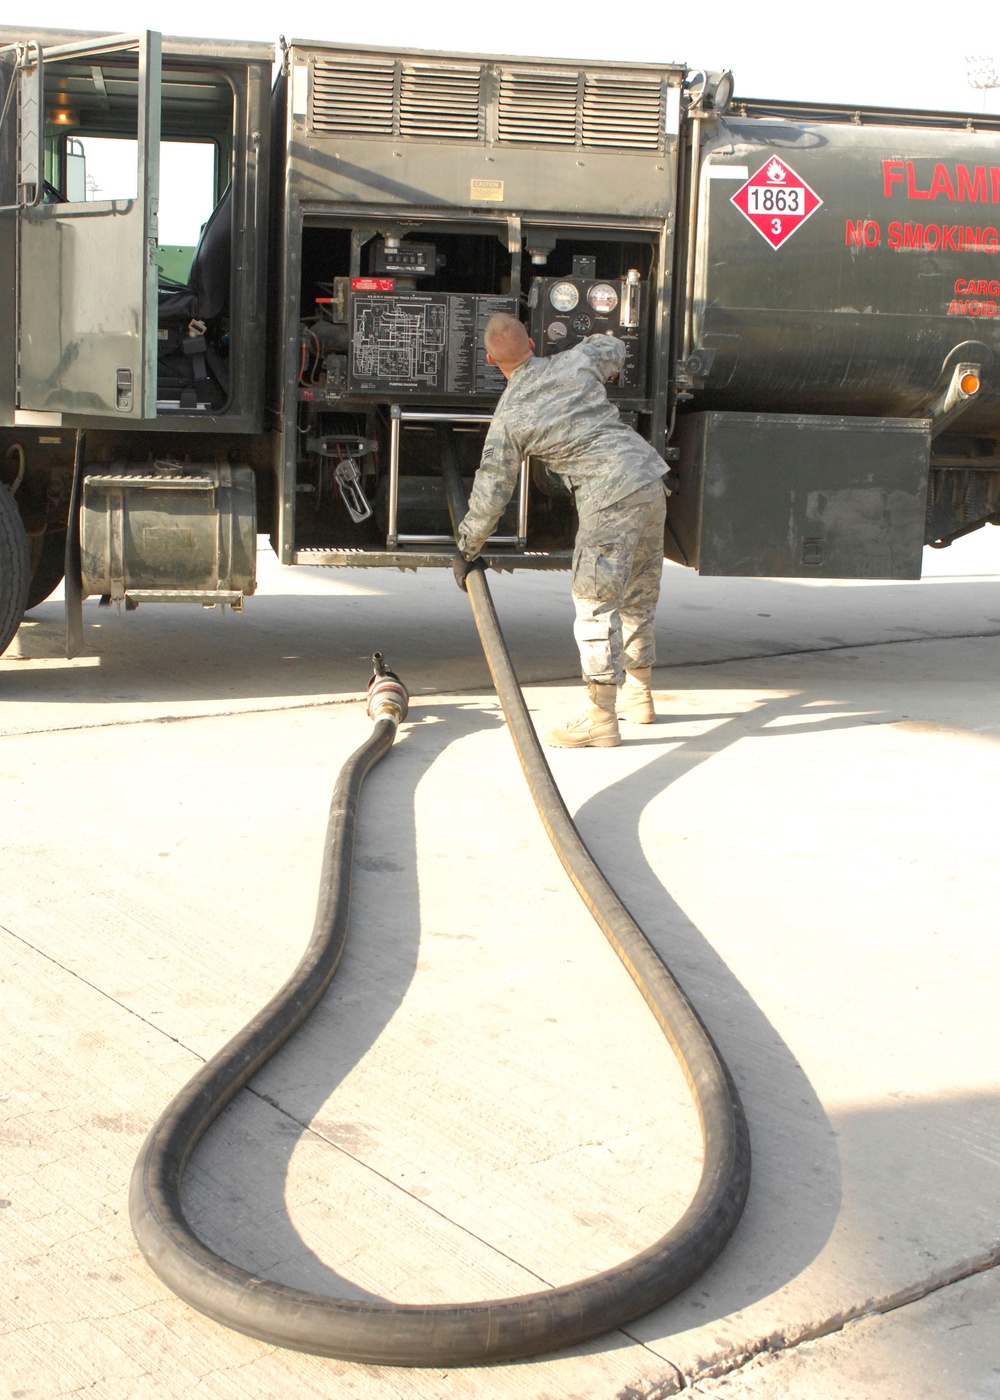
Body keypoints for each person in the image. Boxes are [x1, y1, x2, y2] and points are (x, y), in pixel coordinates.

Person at [453, 311, 669, 748]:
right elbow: (614, 347)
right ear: (531, 342)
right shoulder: (573, 361)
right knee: (639, 592)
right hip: (648, 478)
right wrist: (582, 342)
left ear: (493, 361)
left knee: (594, 602)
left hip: (608, 495)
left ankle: (600, 718)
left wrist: (466, 546)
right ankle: (640, 694)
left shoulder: (510, 415)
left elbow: (493, 490)